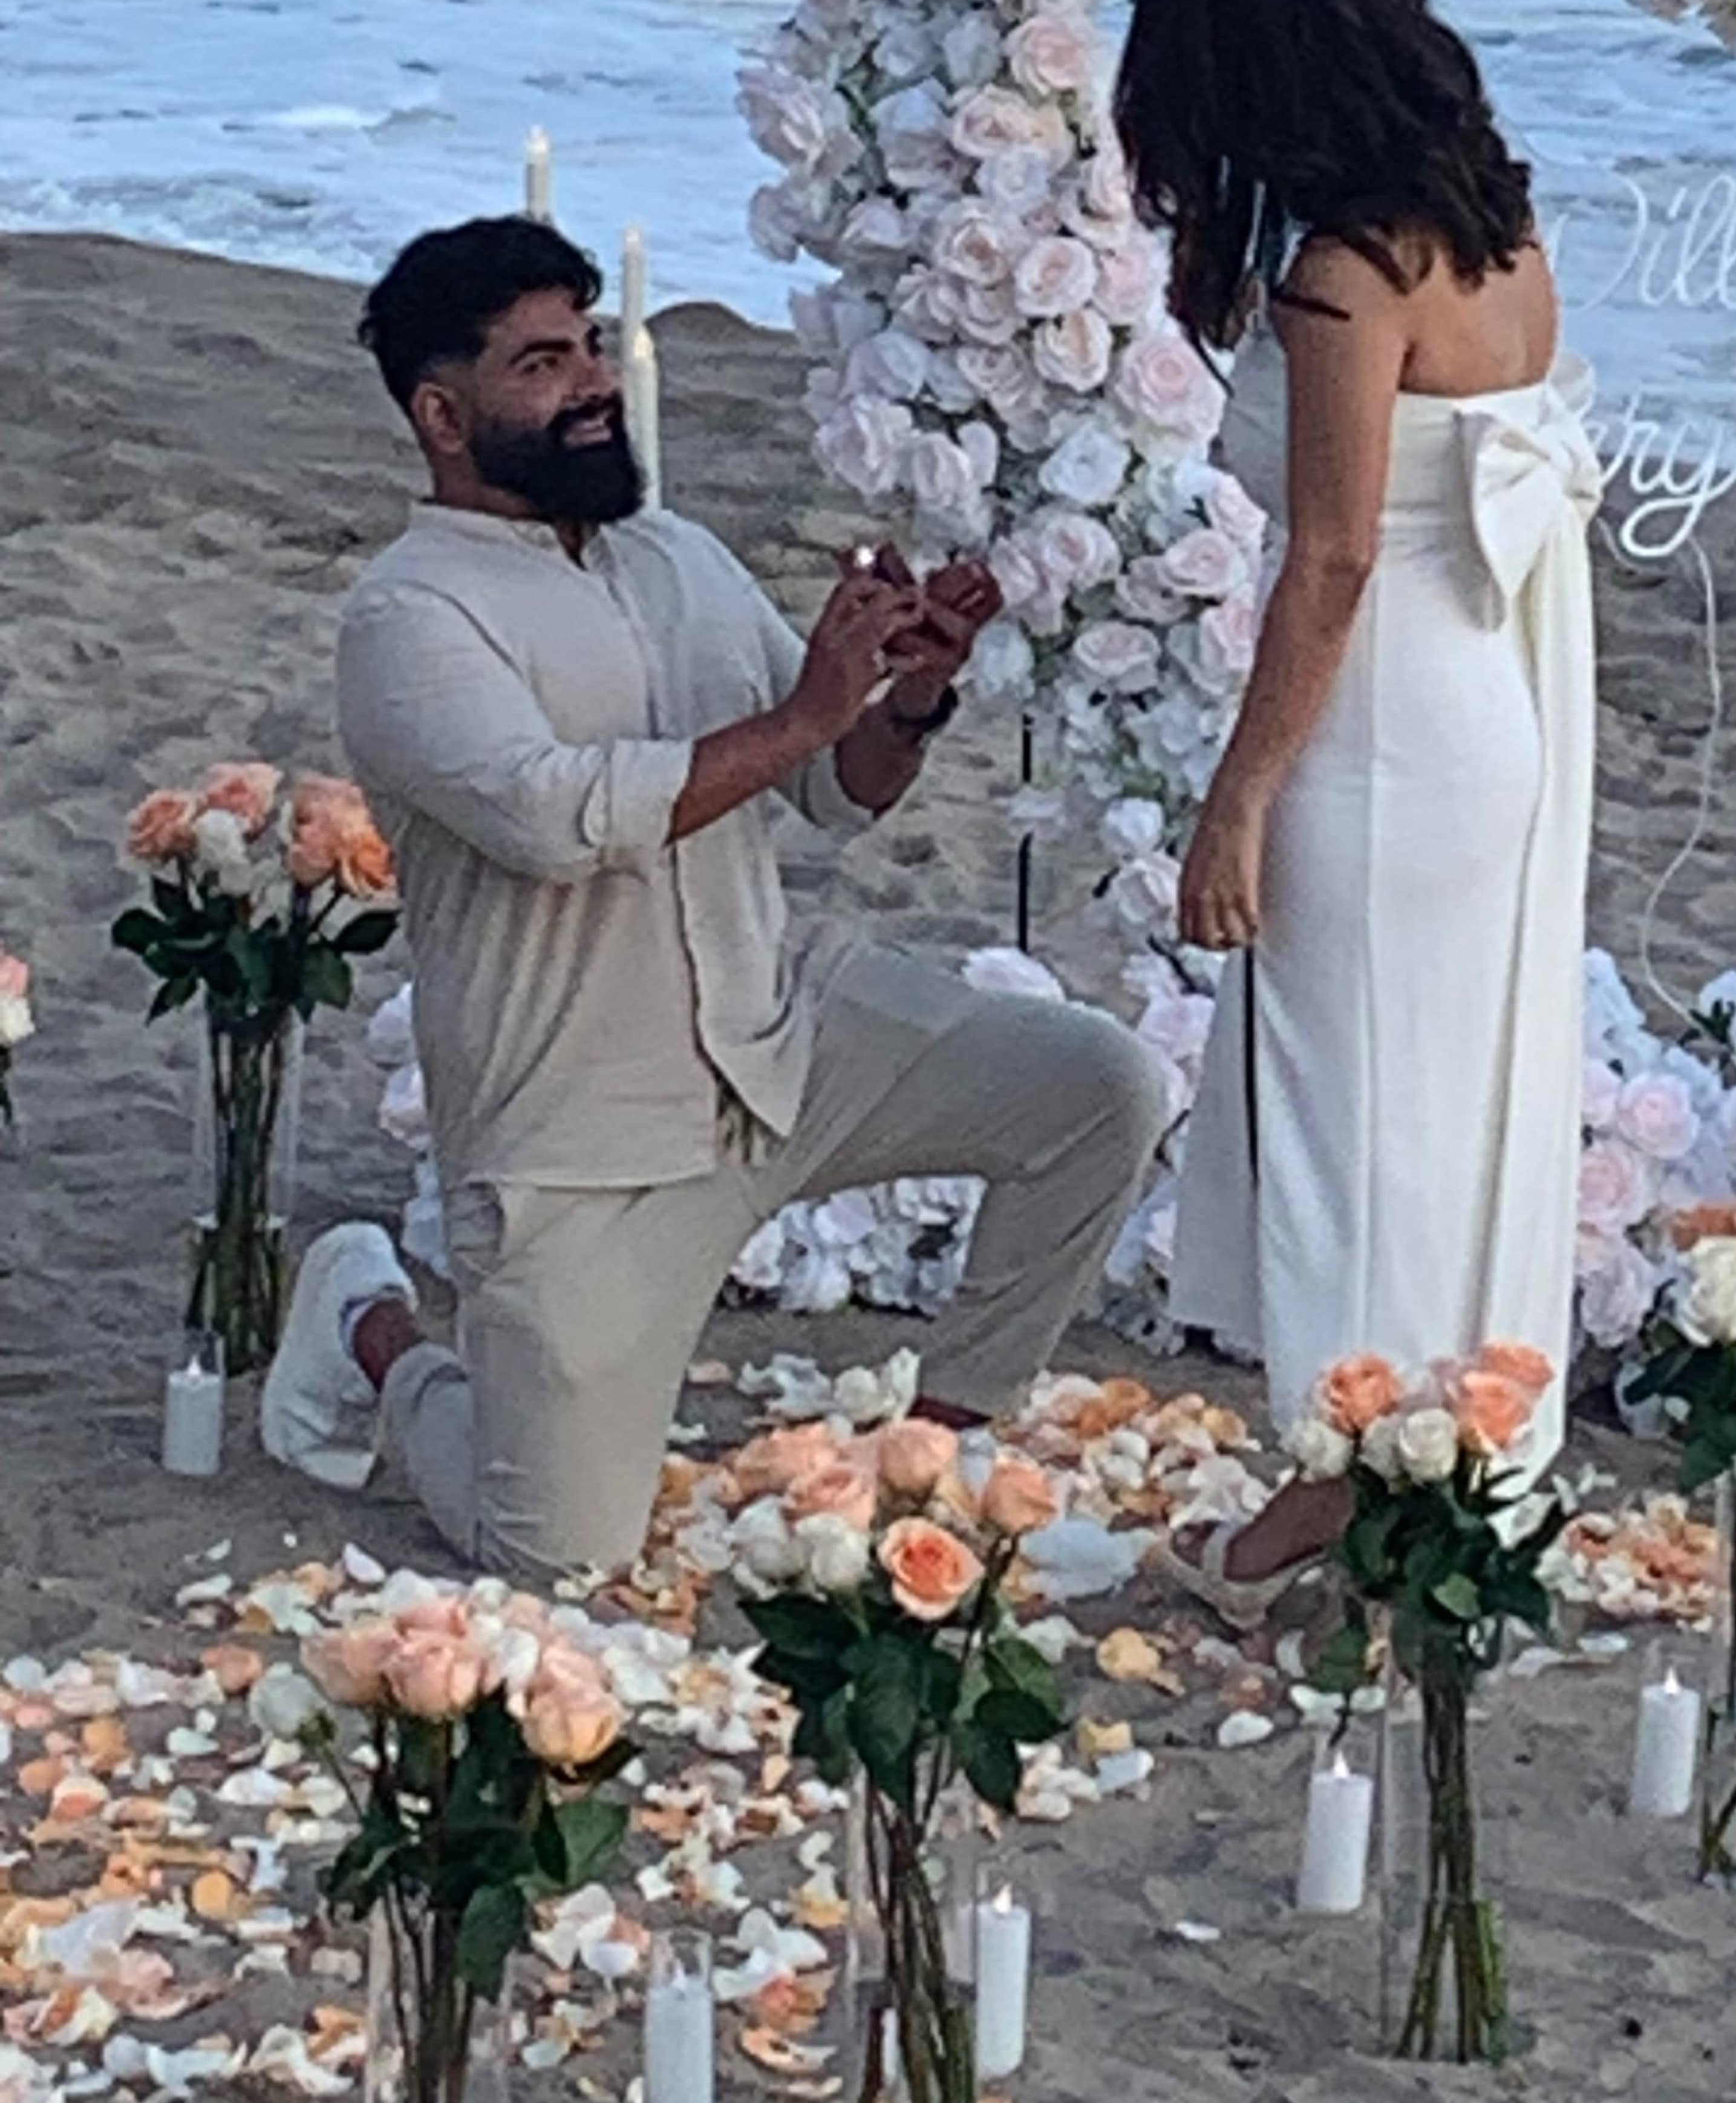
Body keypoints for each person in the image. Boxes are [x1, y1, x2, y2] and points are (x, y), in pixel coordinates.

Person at [261, 216, 1173, 1584]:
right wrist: (811, 709)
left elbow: (836, 794)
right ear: (442, 417)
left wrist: (907, 693)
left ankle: (937, 1454)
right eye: (542, 364)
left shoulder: (675, 553)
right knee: (557, 1561)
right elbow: (559, 819)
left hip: (781, 1042)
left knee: (1099, 1086)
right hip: (584, 1138)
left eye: (589, 347)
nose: (591, 385)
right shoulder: (410, 615)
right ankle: (369, 1327)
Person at [1114, 0, 1602, 1620]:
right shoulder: (1497, 236)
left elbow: (1327, 557)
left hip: (1379, 731)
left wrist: (1239, 796)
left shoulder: (1346, 277)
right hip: (1488, 709)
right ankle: (1440, 1459)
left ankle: (1344, 1478)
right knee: (1450, 1111)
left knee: (1350, 1117)